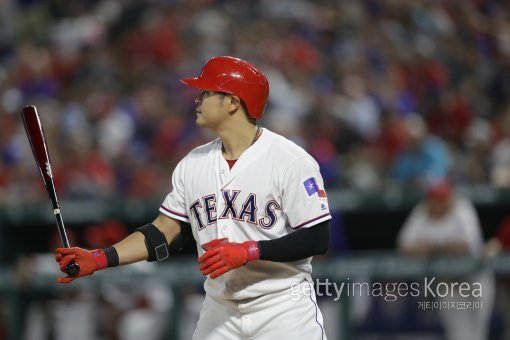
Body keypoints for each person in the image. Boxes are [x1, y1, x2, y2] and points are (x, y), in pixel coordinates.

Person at [55, 56, 331, 340]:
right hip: (220, 310)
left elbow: (317, 237)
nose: (197, 99)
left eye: (207, 92)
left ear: (233, 103)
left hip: (282, 308)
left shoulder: (290, 160)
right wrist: (99, 258)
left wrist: (249, 250)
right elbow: (162, 233)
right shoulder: (193, 163)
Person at [397, 181, 495, 340]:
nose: (438, 204)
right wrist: (440, 248)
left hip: (475, 277)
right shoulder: (421, 211)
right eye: (434, 199)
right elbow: (403, 246)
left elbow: (464, 245)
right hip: (448, 280)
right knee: (457, 334)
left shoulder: (462, 208)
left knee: (479, 332)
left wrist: (432, 248)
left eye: (442, 199)